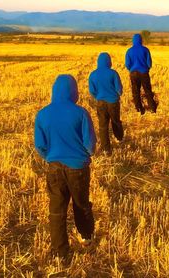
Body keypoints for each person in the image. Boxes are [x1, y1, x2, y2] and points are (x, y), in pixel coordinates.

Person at [34, 74, 96, 262]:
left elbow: (40, 145)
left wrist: (51, 158)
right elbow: (90, 144)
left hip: (54, 167)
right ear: (74, 91)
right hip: (78, 168)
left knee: (57, 209)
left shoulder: (42, 114)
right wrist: (85, 156)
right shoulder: (81, 113)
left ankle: (60, 252)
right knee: (81, 204)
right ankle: (86, 237)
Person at [89, 52, 124, 155]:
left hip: (100, 103)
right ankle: (119, 138)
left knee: (103, 126)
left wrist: (98, 97)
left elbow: (92, 91)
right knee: (116, 121)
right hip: (113, 102)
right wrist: (118, 94)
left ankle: (106, 149)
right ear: (109, 61)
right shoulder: (113, 73)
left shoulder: (93, 74)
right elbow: (119, 89)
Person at [125, 33, 158, 114]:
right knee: (147, 90)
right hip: (144, 73)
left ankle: (139, 109)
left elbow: (127, 64)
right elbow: (149, 63)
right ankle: (152, 108)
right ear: (141, 40)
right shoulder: (145, 50)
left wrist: (131, 70)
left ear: (133, 40)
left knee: (136, 92)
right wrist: (146, 69)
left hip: (133, 73)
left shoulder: (129, 51)